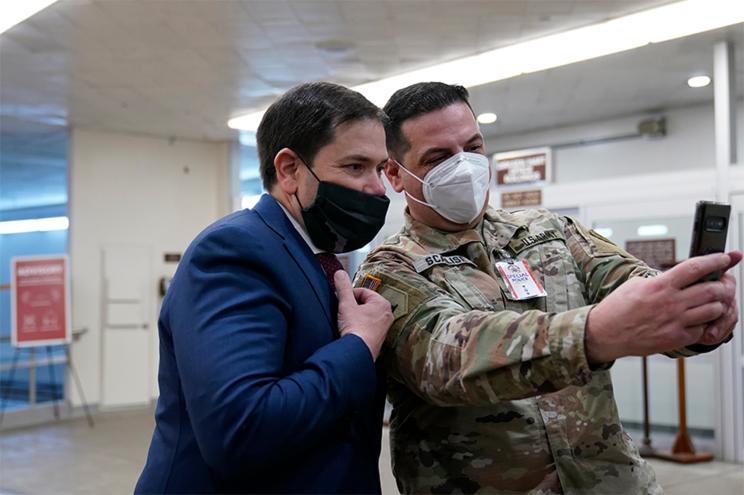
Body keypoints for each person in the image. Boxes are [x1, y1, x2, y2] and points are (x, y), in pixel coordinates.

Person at [355, 82, 740, 494]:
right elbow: (449, 362)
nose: (464, 166)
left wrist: (693, 315)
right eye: (439, 157)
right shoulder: (390, 271)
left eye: (473, 148)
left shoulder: (548, 231)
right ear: (395, 173)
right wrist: (593, 334)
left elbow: (633, 285)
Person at [136, 82, 394, 494]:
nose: (379, 188)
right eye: (356, 167)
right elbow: (241, 430)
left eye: (380, 168)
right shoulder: (234, 250)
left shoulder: (316, 256)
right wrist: (359, 344)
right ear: (290, 169)